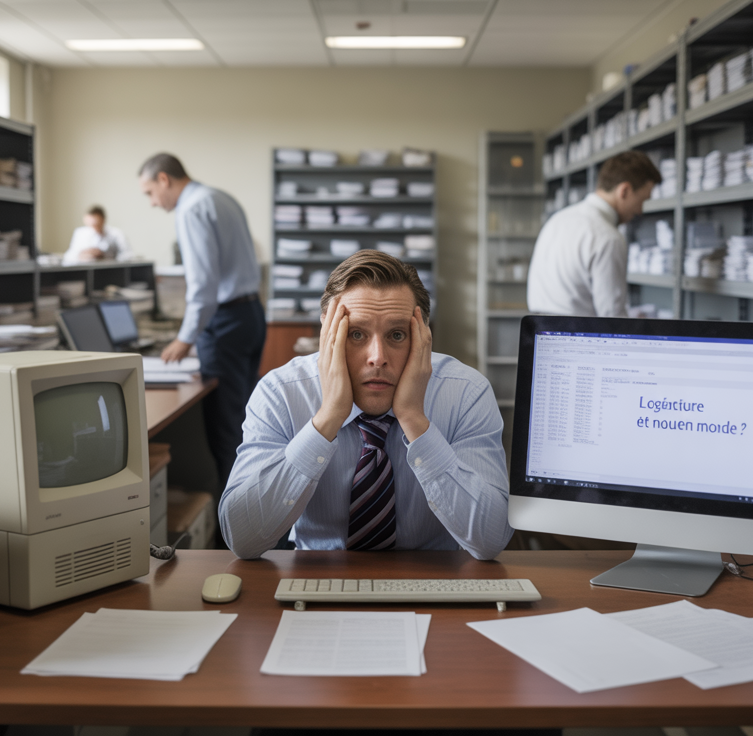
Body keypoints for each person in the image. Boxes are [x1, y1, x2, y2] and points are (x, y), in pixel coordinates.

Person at [218, 250, 513, 561]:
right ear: (327, 335)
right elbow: (242, 539)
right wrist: (327, 418)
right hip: (315, 581)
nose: (377, 357)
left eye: (397, 335)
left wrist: (414, 420)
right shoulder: (280, 393)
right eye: (356, 334)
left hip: (436, 584)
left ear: (423, 336)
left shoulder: (466, 393)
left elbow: (491, 539)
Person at [139, 153, 265, 488]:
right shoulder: (221, 197)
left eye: (150, 192)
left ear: (164, 179)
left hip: (224, 323)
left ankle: (237, 533)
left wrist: (185, 338)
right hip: (250, 315)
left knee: (228, 436)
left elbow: (203, 285)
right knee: (250, 425)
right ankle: (265, 522)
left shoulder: (192, 208)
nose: (152, 202)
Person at [526, 151, 663, 318]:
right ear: (624, 191)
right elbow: (612, 318)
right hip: (576, 338)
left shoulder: (558, 219)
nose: (640, 210)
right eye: (642, 200)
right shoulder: (608, 237)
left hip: (539, 332)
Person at [62, 205, 133, 265]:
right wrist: (81, 255)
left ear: (103, 219)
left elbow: (128, 255)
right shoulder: (79, 233)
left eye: (97, 224)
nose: (94, 228)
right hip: (85, 271)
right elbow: (68, 257)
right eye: (90, 225)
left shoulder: (116, 234)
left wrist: (106, 256)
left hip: (110, 271)